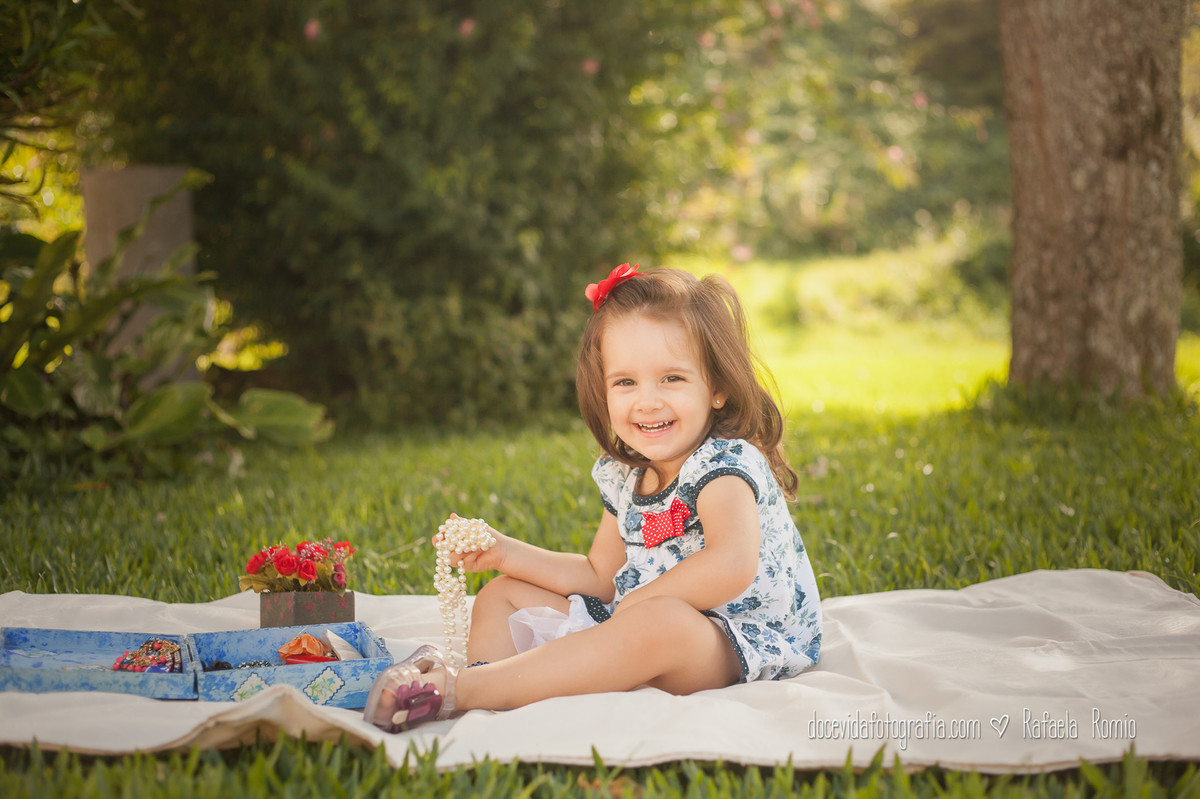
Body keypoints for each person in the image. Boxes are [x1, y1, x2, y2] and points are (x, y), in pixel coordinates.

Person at [364, 264, 822, 732]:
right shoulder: (626, 474)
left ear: (718, 388)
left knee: (661, 620)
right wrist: (504, 551)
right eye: (626, 382)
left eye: (672, 379)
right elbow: (600, 576)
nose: (647, 401)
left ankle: (458, 689)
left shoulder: (725, 465)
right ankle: (493, 690)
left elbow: (730, 564)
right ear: (603, 390)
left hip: (731, 640)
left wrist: (635, 606)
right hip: (635, 621)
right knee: (503, 594)